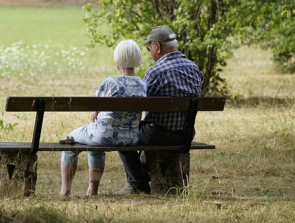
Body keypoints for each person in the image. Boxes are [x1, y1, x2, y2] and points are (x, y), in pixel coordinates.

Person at [116, 25, 203, 195]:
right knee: (148, 130)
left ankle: (138, 184)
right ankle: (138, 181)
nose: (150, 52)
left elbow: (139, 105)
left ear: (157, 46)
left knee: (122, 134)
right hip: (185, 134)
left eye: (149, 48)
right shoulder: (194, 69)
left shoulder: (155, 72)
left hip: (159, 134)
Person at [60, 39, 147, 198]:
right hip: (130, 138)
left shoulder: (110, 83)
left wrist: (96, 111)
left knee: (70, 141)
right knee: (94, 141)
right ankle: (92, 190)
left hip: (102, 136)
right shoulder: (143, 85)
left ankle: (65, 191)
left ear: (117, 61)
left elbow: (94, 105)